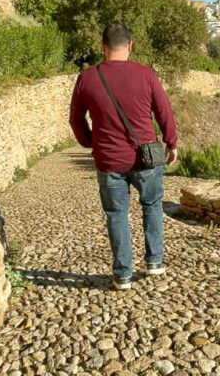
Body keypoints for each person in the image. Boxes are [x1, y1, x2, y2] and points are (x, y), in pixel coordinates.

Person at [69, 23, 178, 290]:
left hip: (108, 160)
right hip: (146, 159)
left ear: (102, 46)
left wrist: (90, 142)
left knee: (116, 215)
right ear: (130, 46)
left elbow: (75, 119)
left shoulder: (87, 77)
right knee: (152, 205)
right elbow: (164, 112)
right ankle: (154, 262)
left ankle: (123, 275)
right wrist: (171, 143)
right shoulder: (146, 74)